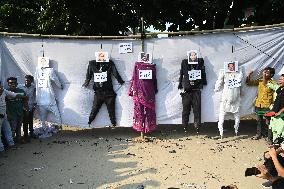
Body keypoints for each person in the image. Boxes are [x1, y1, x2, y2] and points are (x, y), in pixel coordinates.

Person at [82, 58, 124, 127]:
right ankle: (89, 122)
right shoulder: (92, 64)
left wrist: (120, 81)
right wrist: (87, 82)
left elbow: (115, 72)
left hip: (109, 92)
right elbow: (89, 74)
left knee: (111, 111)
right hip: (99, 92)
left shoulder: (110, 63)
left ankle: (113, 124)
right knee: (95, 109)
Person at [178, 54, 207, 133]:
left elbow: (203, 72)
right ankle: (185, 126)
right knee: (186, 110)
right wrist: (180, 83)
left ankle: (197, 126)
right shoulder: (184, 63)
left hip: (196, 90)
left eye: (195, 55)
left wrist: (204, 81)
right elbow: (181, 73)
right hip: (187, 91)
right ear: (189, 56)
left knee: (197, 110)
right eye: (192, 55)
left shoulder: (200, 63)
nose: (193, 57)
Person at [246, 67, 276, 141]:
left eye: (267, 72)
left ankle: (269, 138)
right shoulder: (260, 81)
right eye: (264, 72)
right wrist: (249, 75)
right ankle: (258, 134)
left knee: (268, 123)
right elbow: (248, 83)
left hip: (267, 106)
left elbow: (275, 94)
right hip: (258, 104)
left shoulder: (273, 84)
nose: (264, 73)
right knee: (259, 121)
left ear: (271, 75)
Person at [214, 68, 243, 138]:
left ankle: (235, 131)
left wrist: (216, 88)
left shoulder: (238, 74)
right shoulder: (224, 72)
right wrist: (216, 88)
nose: (231, 68)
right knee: (222, 117)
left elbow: (240, 85)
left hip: (233, 99)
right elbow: (219, 82)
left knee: (236, 117)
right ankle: (222, 133)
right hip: (227, 99)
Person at [0, 82, 26, 154]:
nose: (1, 89)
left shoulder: (4, 91)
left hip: (4, 115)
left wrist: (23, 96)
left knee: (8, 130)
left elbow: (14, 95)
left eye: (1, 87)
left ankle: (11, 144)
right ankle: (1, 149)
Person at [5, 77, 27, 143]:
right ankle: (10, 142)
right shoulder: (6, 92)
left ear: (17, 83)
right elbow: (4, 104)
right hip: (11, 114)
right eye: (11, 83)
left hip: (20, 113)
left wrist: (26, 110)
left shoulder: (21, 91)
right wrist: (8, 114)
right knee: (12, 129)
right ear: (8, 84)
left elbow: (25, 101)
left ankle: (18, 139)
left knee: (19, 127)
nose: (13, 84)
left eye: (14, 82)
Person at [266, 74, 284, 141]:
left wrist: (279, 112)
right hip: (275, 115)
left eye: (281, 79)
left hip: (281, 117)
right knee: (275, 132)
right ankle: (274, 148)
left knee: (280, 134)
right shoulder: (279, 89)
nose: (279, 81)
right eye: (279, 79)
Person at [19, 75, 36, 139]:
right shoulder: (20, 86)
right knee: (25, 121)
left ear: (31, 81)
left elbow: (35, 96)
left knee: (31, 120)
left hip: (31, 106)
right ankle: (26, 135)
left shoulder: (33, 87)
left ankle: (31, 133)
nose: (26, 81)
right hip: (23, 107)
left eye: (28, 80)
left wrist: (34, 105)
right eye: (26, 80)